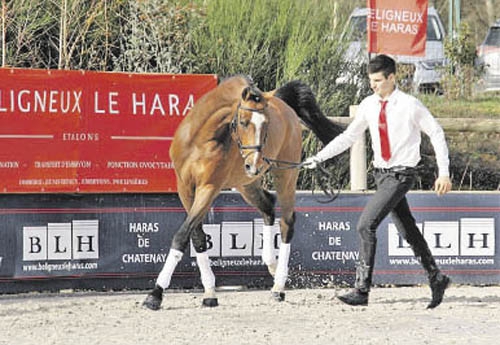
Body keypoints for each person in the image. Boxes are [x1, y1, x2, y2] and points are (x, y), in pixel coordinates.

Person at [303, 54, 452, 309]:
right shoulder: (369, 105)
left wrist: (444, 172)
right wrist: (318, 158)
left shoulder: (410, 105)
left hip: (402, 174)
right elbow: (349, 137)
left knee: (365, 225)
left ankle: (361, 289)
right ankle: (436, 276)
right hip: (382, 175)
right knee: (408, 229)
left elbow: (436, 133)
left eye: (378, 80)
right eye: (371, 80)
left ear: (392, 78)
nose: (373, 85)